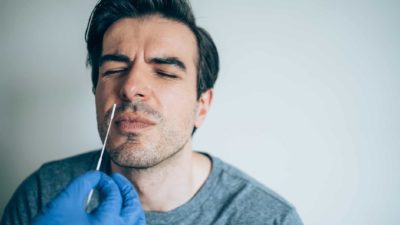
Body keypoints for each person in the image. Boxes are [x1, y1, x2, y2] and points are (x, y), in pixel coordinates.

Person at [1, 0, 304, 225]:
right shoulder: (44, 194)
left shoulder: (268, 219)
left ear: (202, 106)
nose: (131, 87)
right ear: (97, 93)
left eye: (165, 72)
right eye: (115, 69)